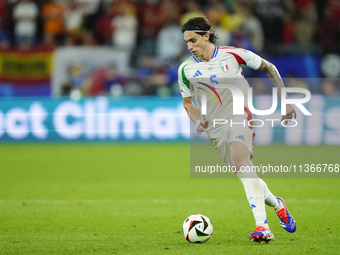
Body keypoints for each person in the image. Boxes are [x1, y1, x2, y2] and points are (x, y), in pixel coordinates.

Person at [178, 16, 297, 243]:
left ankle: (262, 227)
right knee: (244, 173)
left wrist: (286, 102)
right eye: (186, 42)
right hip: (215, 127)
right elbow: (187, 104)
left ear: (206, 36)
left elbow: (269, 68)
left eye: (193, 40)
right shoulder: (185, 69)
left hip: (239, 116)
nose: (189, 46)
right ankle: (277, 204)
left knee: (242, 165)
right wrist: (197, 120)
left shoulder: (233, 54)